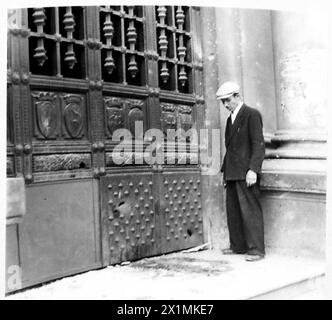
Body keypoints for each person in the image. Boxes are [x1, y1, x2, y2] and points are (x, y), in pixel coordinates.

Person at [216, 81, 265, 262]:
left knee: (250, 211)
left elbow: (258, 145)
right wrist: (225, 172)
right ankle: (238, 246)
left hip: (246, 172)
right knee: (234, 211)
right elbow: (231, 148)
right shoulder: (230, 119)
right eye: (223, 102)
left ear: (237, 96)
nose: (225, 105)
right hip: (232, 171)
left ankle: (257, 250)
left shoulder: (252, 114)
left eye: (227, 100)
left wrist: (253, 169)